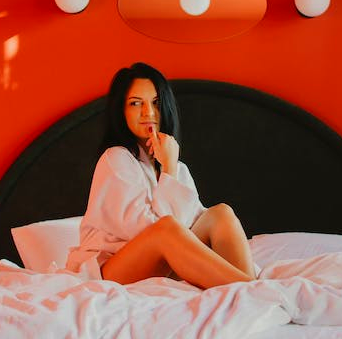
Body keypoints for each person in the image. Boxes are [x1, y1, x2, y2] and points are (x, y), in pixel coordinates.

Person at [67, 62, 256, 289]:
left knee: (220, 214)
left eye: (155, 102)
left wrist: (170, 166)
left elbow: (188, 228)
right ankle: (255, 290)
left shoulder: (176, 167)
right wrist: (169, 171)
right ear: (121, 111)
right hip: (110, 270)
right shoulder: (116, 159)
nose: (148, 112)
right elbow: (155, 231)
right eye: (136, 103)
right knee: (166, 230)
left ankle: (250, 290)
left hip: (162, 262)